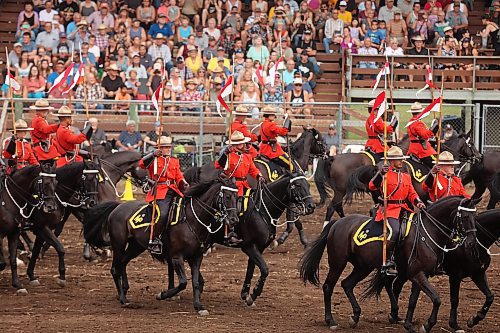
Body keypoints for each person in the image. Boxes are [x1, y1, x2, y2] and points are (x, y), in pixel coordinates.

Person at [368, 146, 425, 275]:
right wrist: (380, 174)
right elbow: (372, 186)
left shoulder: (406, 176)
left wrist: (418, 202)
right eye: (399, 160)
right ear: (392, 161)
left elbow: (412, 193)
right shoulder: (385, 175)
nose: (401, 162)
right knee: (395, 231)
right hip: (389, 210)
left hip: (404, 209)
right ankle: (387, 260)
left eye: (402, 159)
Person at [139, 136, 188, 252]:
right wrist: (152, 155)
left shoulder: (174, 161)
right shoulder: (154, 160)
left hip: (173, 190)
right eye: (166, 147)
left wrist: (184, 184)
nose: (168, 149)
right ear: (160, 149)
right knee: (163, 214)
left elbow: (179, 177)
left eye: (169, 147)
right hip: (160, 191)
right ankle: (155, 239)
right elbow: (141, 164)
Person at [215, 131, 264, 245]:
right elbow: (219, 165)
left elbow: (253, 169)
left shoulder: (247, 156)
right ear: (232, 145)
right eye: (236, 144)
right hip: (231, 187)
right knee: (235, 208)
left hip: (244, 185)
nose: (239, 146)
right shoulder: (229, 155)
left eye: (240, 143)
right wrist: (225, 154)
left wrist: (259, 176)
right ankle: (231, 233)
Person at [406, 102, 438, 168]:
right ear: (420, 113)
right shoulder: (417, 123)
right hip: (421, 150)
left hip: (414, 148)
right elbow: (425, 135)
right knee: (438, 164)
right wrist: (435, 128)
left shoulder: (411, 121)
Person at [30, 98, 59, 164]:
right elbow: (46, 129)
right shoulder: (38, 120)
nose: (46, 111)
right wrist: (58, 126)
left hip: (44, 147)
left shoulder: (40, 119)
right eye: (44, 110)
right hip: (41, 150)